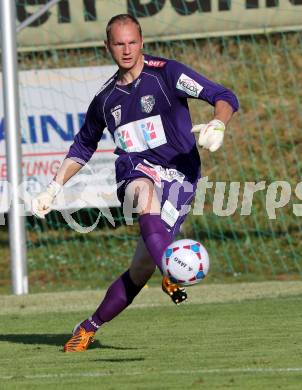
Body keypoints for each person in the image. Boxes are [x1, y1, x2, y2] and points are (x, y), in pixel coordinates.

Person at [32, 14, 239, 352]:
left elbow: (224, 95)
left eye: (132, 42)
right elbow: (83, 146)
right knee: (143, 192)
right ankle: (170, 273)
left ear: (141, 42)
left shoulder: (167, 74)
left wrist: (218, 122)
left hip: (180, 178)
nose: (126, 50)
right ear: (107, 46)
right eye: (119, 43)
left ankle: (88, 326)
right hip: (136, 171)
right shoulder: (105, 99)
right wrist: (54, 188)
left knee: (140, 269)